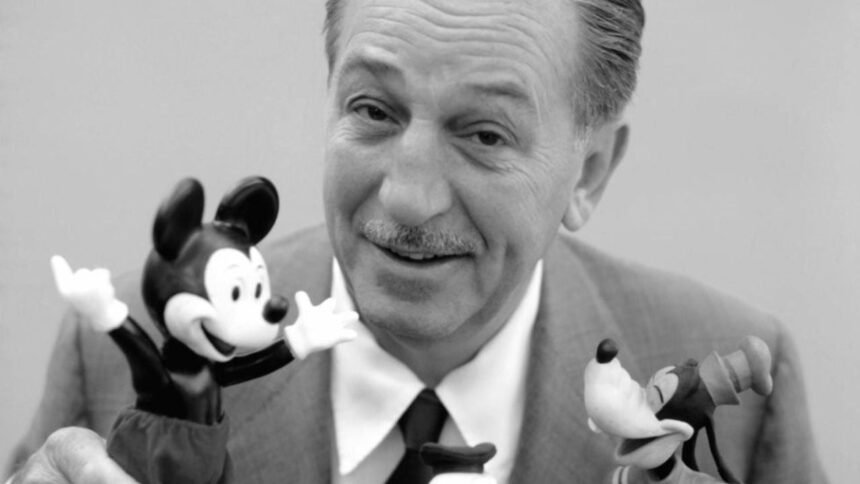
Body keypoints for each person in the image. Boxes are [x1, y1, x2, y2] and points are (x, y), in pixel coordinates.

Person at [6, 0, 828, 483]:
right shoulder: (113, 362)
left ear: (589, 173)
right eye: (373, 110)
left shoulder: (735, 391)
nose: (406, 194)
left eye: (484, 133)